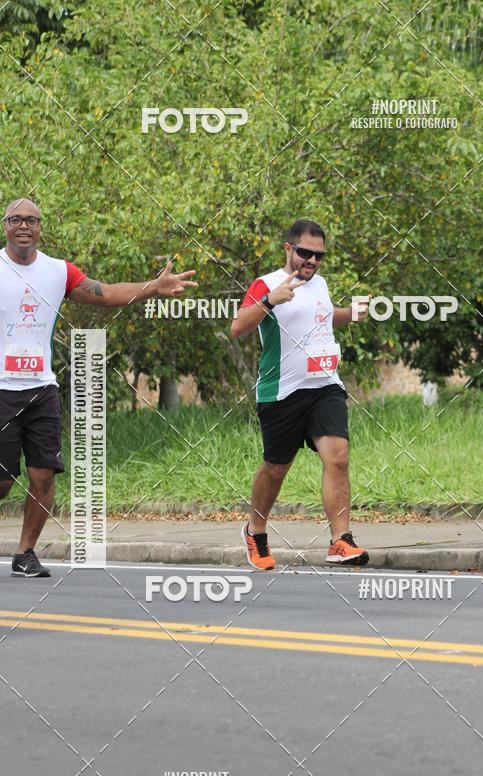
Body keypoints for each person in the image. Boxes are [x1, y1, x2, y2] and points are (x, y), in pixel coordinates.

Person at [0, 197, 197, 577]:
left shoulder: (58, 271)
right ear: (5, 225)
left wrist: (154, 287)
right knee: (4, 481)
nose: (23, 226)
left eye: (31, 220)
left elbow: (106, 294)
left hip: (41, 389)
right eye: (15, 219)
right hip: (2, 391)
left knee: (43, 475)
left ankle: (25, 554)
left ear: (41, 228)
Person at [231, 218, 369, 570]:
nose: (312, 261)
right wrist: (268, 302)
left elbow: (321, 317)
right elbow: (237, 327)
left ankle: (340, 541)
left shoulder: (319, 283)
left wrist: (350, 314)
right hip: (281, 393)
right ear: (288, 249)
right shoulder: (266, 284)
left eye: (319, 255)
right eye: (305, 253)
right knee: (276, 469)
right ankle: (256, 531)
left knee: (337, 457)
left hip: (324, 386)